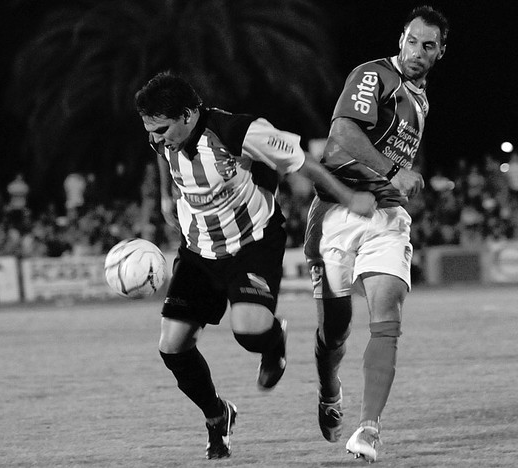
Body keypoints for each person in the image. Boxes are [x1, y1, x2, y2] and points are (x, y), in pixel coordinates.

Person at [134, 71, 375, 460]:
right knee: (173, 347)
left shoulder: (241, 132)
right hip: (199, 250)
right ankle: (217, 415)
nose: (157, 139)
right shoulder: (165, 137)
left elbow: (302, 162)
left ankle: (272, 342)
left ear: (189, 115)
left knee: (247, 333)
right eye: (151, 132)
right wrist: (166, 198)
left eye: (162, 129)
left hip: (252, 243)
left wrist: (350, 199)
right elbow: (161, 154)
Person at [304, 6, 449, 462]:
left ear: (441, 52)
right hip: (336, 213)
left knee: (386, 312)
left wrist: (397, 182)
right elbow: (342, 134)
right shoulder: (374, 75)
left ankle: (368, 429)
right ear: (401, 38)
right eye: (412, 41)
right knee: (335, 333)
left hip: (386, 216)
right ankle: (330, 388)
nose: (417, 52)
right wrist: (395, 169)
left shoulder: (422, 99)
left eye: (429, 46)